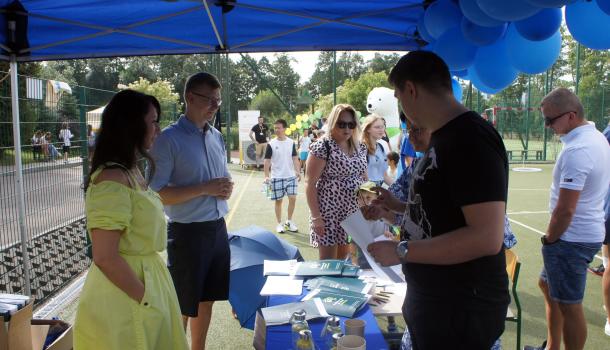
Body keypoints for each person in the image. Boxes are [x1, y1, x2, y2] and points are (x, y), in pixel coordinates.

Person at [367, 51, 510, 349]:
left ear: (411, 90)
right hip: (439, 307)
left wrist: (402, 250)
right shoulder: (445, 138)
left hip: (460, 312)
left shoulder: (470, 138)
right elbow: (438, 216)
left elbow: (485, 237)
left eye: (398, 96)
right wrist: (393, 208)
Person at [74, 90, 188, 350]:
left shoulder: (129, 170)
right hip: (125, 296)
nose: (158, 130)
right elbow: (104, 256)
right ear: (132, 125)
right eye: (153, 121)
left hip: (147, 283)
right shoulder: (112, 179)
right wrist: (145, 299)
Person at [150, 72, 233, 350]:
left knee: (206, 299)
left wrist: (223, 188)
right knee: (182, 304)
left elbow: (217, 181)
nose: (214, 106)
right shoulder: (168, 140)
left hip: (217, 228)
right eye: (209, 100)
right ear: (189, 98)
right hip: (187, 233)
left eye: (218, 101)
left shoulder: (216, 137)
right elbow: (157, 193)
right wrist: (205, 188)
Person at [524, 88, 610, 350]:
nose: (548, 125)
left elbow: (565, 210)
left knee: (570, 305)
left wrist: (550, 239)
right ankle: (551, 347)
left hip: (571, 237)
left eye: (551, 120)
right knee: (547, 286)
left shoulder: (579, 149)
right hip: (582, 233)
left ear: (571, 116)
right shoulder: (595, 138)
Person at [306, 104, 367, 260]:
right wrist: (316, 218)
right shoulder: (322, 146)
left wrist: (371, 206)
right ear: (333, 123)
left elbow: (364, 179)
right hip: (328, 214)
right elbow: (310, 184)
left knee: (346, 262)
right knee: (329, 266)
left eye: (351, 124)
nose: (347, 129)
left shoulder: (360, 146)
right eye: (341, 124)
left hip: (353, 212)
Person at [264, 119, 301, 233]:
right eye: (275, 128)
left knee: (293, 198)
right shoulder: (271, 144)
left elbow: (295, 158)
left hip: (291, 176)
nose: (277, 130)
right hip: (277, 177)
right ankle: (279, 224)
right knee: (279, 201)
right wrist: (266, 176)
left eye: (279, 128)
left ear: (284, 129)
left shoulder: (291, 142)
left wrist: (298, 171)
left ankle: (289, 222)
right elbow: (267, 161)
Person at [362, 114, 393, 187]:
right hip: (367, 192)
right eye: (377, 127)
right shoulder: (361, 148)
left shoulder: (380, 147)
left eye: (382, 126)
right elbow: (363, 177)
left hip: (377, 190)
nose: (381, 130)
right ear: (368, 129)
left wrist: (399, 188)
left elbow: (384, 176)